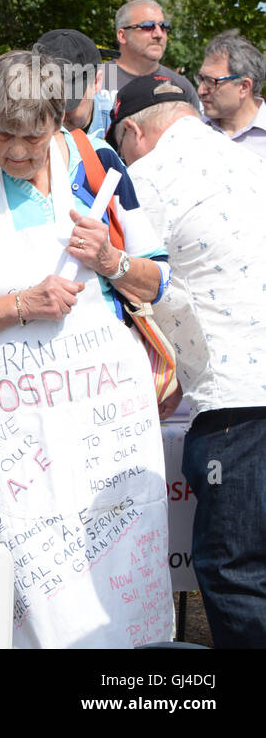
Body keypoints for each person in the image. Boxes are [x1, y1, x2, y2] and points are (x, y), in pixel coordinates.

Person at [0, 50, 174, 647]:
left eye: (34, 135)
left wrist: (108, 259)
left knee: (119, 610)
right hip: (12, 444)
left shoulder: (97, 165)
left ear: (59, 121)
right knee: (19, 607)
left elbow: (157, 280)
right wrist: (19, 306)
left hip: (104, 433)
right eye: (4, 135)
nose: (19, 152)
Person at [111, 74, 266, 648]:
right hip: (246, 393)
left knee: (236, 572)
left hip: (239, 403)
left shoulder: (146, 178)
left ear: (133, 132)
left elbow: (145, 287)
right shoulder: (249, 160)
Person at [89, 0, 197, 140]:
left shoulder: (181, 86)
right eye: (147, 26)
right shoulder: (93, 79)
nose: (158, 34)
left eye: (164, 26)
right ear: (122, 35)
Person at [196, 29, 266, 158]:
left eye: (211, 81)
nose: (201, 91)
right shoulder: (193, 129)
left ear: (244, 87)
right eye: (201, 79)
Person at [33, 28, 104, 132]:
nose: (58, 114)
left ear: (96, 82)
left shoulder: (117, 130)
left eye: (68, 102)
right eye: (48, 100)